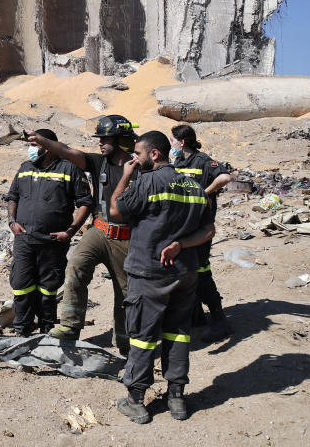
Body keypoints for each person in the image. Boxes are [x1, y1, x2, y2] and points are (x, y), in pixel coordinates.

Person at [110, 130, 215, 424]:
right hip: (185, 273)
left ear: (154, 154)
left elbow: (115, 209)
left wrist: (125, 176)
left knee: (143, 337)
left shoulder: (147, 181)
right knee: (179, 332)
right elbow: (208, 231)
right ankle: (177, 398)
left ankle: (136, 401)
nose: (135, 159)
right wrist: (182, 244)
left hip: (150, 272)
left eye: (139, 155)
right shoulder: (194, 187)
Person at [29, 115, 139, 354]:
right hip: (98, 230)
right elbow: (68, 150)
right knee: (76, 266)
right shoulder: (98, 162)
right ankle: (70, 326)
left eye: (105, 138)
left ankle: (124, 342)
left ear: (120, 139)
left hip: (127, 238)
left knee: (125, 292)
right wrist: (42, 140)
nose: (100, 143)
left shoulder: (139, 169)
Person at [5, 129, 93, 335]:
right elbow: (12, 197)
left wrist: (70, 231)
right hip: (24, 240)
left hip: (53, 242)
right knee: (21, 286)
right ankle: (22, 330)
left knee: (48, 288)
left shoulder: (69, 169)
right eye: (30, 145)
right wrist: (11, 222)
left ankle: (46, 330)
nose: (31, 150)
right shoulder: (25, 168)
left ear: (50, 147)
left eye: (35, 145)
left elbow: (85, 203)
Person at [171, 124, 234, 342]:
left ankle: (219, 320)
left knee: (201, 271)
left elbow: (225, 178)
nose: (171, 145)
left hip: (200, 227)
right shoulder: (178, 163)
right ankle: (196, 316)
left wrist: (204, 193)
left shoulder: (203, 161)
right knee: (186, 272)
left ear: (182, 142)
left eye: (173, 141)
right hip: (182, 226)